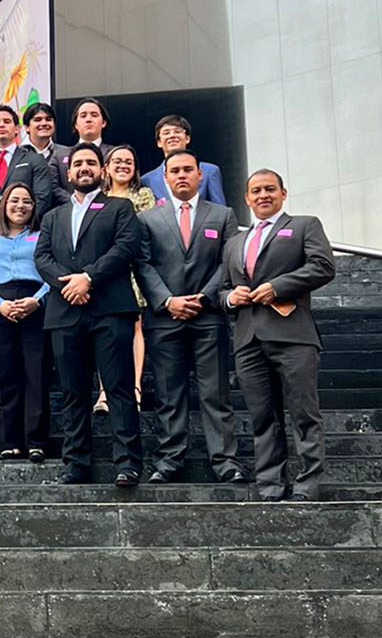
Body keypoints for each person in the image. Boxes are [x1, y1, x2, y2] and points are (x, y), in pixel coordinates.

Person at [216, 169, 335, 502]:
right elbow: (222, 287)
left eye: (270, 189)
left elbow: (323, 266)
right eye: (255, 191)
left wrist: (278, 287)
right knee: (262, 417)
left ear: (284, 193)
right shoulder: (234, 243)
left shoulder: (303, 225)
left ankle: (308, 483)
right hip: (248, 339)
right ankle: (270, 484)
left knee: (303, 413)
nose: (263, 195)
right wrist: (229, 298)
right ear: (247, 198)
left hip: (293, 335)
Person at [35, 143, 143, 487]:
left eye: (91, 163)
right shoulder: (53, 216)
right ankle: (76, 463)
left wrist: (88, 278)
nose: (84, 167)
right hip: (65, 313)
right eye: (78, 163)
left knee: (119, 389)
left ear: (103, 171)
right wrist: (69, 284)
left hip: (109, 310)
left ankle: (127, 462)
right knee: (72, 391)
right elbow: (42, 257)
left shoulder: (120, 207)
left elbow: (125, 248)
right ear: (68, 173)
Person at [135, 149, 245, 485]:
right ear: (165, 178)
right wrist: (167, 301)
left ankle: (226, 461)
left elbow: (229, 262)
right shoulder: (148, 218)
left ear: (201, 175)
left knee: (216, 394)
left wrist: (204, 296)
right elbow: (142, 264)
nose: (182, 176)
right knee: (169, 395)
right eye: (175, 171)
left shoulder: (222, 215)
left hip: (208, 316)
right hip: (165, 318)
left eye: (188, 170)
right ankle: (169, 459)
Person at [0, 182, 50, 462]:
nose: (20, 206)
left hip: (35, 306)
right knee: (2, 375)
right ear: (2, 205)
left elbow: (52, 276)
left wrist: (36, 301)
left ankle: (36, 441)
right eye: (14, 200)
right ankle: (10, 441)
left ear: (34, 207)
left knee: (36, 373)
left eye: (27, 201)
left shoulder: (43, 237)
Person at [99, 144, 154, 411]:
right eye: (117, 160)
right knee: (103, 330)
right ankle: (103, 391)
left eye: (129, 161)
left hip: (132, 268)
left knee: (135, 327)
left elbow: (145, 231)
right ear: (106, 168)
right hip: (103, 270)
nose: (123, 165)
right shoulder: (96, 198)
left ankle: (135, 388)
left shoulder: (143, 195)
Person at [141, 115, 226, 206]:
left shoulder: (210, 171)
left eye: (177, 131)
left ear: (187, 138)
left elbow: (220, 211)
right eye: (166, 133)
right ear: (159, 142)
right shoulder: (147, 180)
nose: (172, 135)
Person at [21, 101, 71, 207]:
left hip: (63, 213)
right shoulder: (18, 155)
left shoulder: (67, 153)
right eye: (37, 120)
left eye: (48, 119)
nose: (44, 123)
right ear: (26, 127)